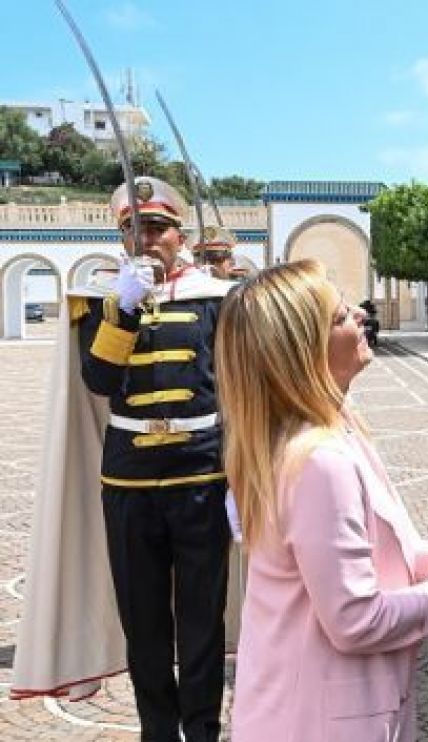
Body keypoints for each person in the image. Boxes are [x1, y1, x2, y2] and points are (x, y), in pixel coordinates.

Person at [220, 260, 428, 742]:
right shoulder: (318, 461)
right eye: (340, 316)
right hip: (315, 722)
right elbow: (354, 620)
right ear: (303, 351)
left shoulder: (335, 429)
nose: (360, 314)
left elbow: (378, 554)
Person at [12, 176, 237, 742]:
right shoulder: (105, 302)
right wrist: (124, 312)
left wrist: (242, 474)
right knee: (144, 621)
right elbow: (100, 380)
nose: (147, 239)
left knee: (201, 619)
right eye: (135, 229)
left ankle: (202, 731)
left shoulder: (214, 298)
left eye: (158, 228)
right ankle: (157, 731)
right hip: (130, 479)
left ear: (179, 235)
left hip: (201, 473)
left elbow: (237, 386)